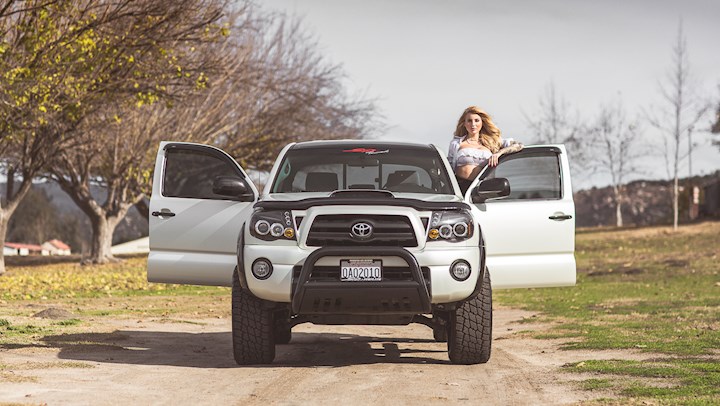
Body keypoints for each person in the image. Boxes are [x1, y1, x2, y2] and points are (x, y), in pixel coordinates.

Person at [447, 106, 523, 193]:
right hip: (459, 187)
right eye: (469, 121)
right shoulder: (456, 143)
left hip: (482, 188)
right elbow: (449, 169)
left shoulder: (492, 142)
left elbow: (519, 145)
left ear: (482, 122)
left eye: (476, 120)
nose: (473, 124)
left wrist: (499, 153)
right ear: (464, 123)